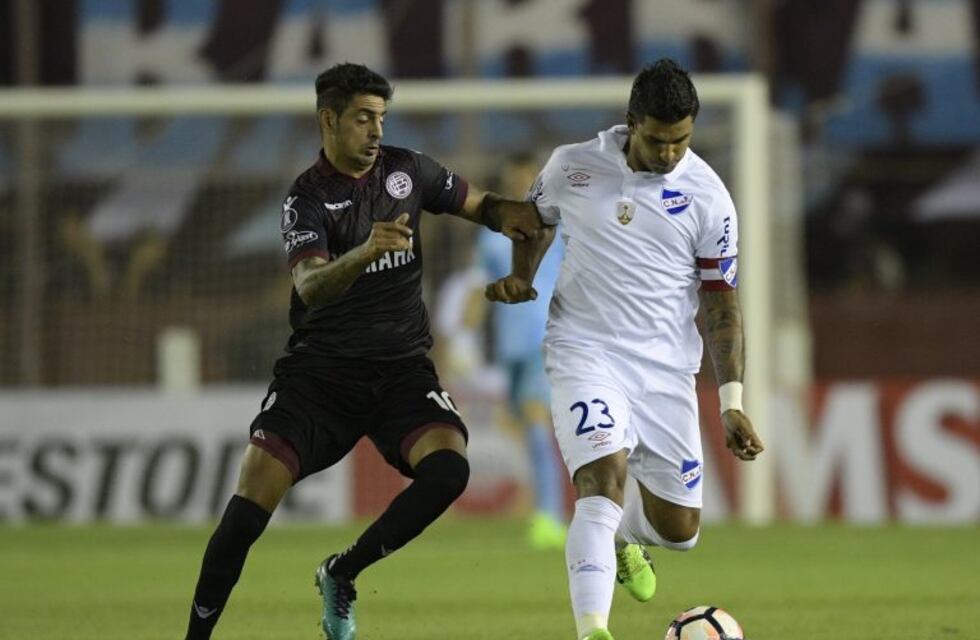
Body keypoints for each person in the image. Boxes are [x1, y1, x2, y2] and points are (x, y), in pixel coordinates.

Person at [183, 62, 541, 640]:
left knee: (448, 470)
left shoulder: (408, 171)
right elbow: (310, 286)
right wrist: (365, 252)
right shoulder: (306, 199)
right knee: (248, 509)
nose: (376, 131)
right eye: (363, 118)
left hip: (401, 371)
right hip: (319, 379)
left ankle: (342, 571)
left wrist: (513, 215)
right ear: (329, 120)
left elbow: (482, 205)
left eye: (381, 118)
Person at [485, 58, 765, 640]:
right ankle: (593, 630)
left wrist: (731, 401)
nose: (669, 155)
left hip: (666, 369)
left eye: (681, 141)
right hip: (583, 349)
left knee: (681, 528)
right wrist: (523, 277)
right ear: (631, 123)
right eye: (659, 141)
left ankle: (621, 538)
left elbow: (721, 305)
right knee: (602, 480)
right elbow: (535, 222)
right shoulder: (573, 165)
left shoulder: (710, 199)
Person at [476, 153, 568, 550]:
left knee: (534, 422)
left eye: (529, 181)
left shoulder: (558, 228)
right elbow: (482, 288)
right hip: (509, 344)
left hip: (543, 334)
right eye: (516, 181)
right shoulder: (490, 235)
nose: (522, 188)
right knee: (524, 427)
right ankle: (542, 508)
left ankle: (550, 515)